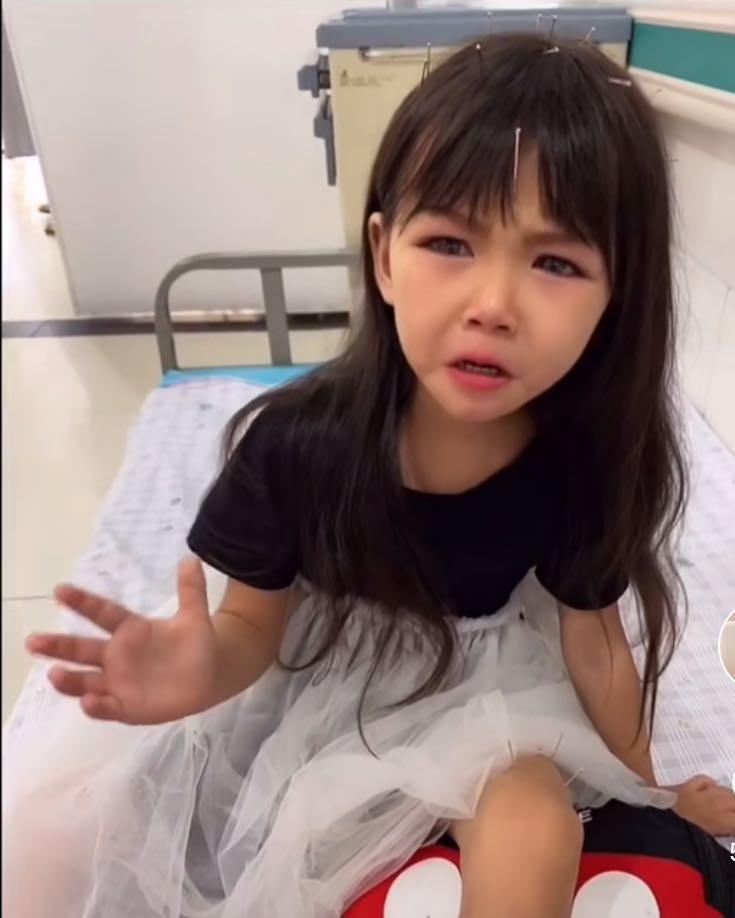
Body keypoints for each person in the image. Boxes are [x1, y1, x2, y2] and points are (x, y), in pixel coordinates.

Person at [7, 34, 735, 918]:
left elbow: (595, 642)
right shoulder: (296, 445)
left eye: (555, 263)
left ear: (616, 297)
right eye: (450, 243)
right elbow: (249, 627)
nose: (492, 305)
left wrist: (649, 792)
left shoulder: (583, 457)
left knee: (536, 827)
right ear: (384, 256)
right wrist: (200, 672)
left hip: (486, 696)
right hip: (316, 683)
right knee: (62, 842)